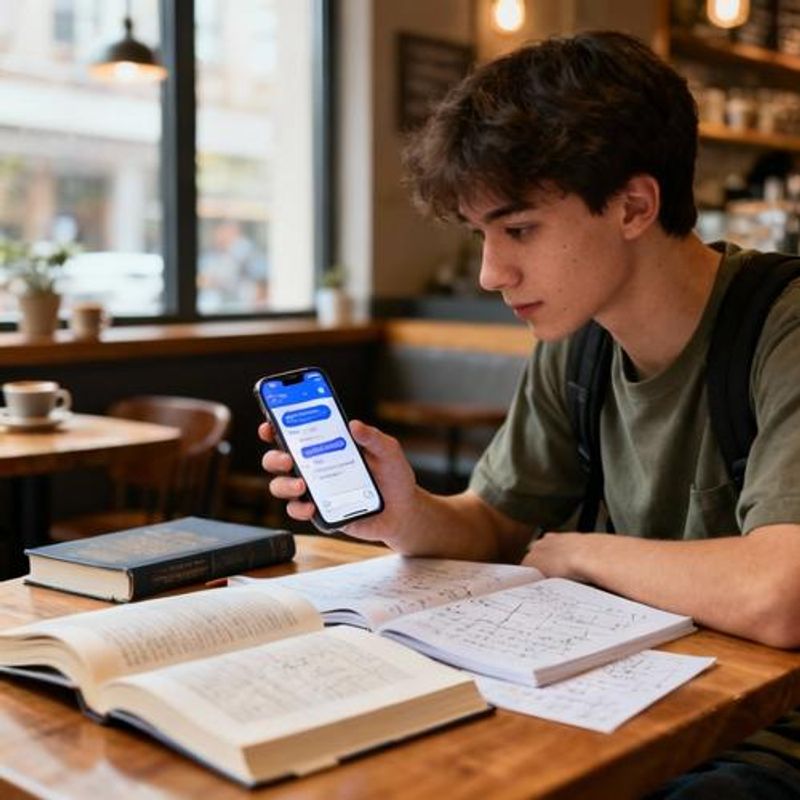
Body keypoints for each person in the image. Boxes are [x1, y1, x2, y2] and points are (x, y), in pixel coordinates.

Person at [260, 31, 800, 798]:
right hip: (624, 703)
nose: (490, 272)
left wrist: (580, 553)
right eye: (482, 235)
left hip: (761, 735)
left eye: (518, 230)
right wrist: (404, 516)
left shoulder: (783, 329)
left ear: (634, 206)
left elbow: (780, 594)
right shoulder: (576, 338)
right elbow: (498, 524)